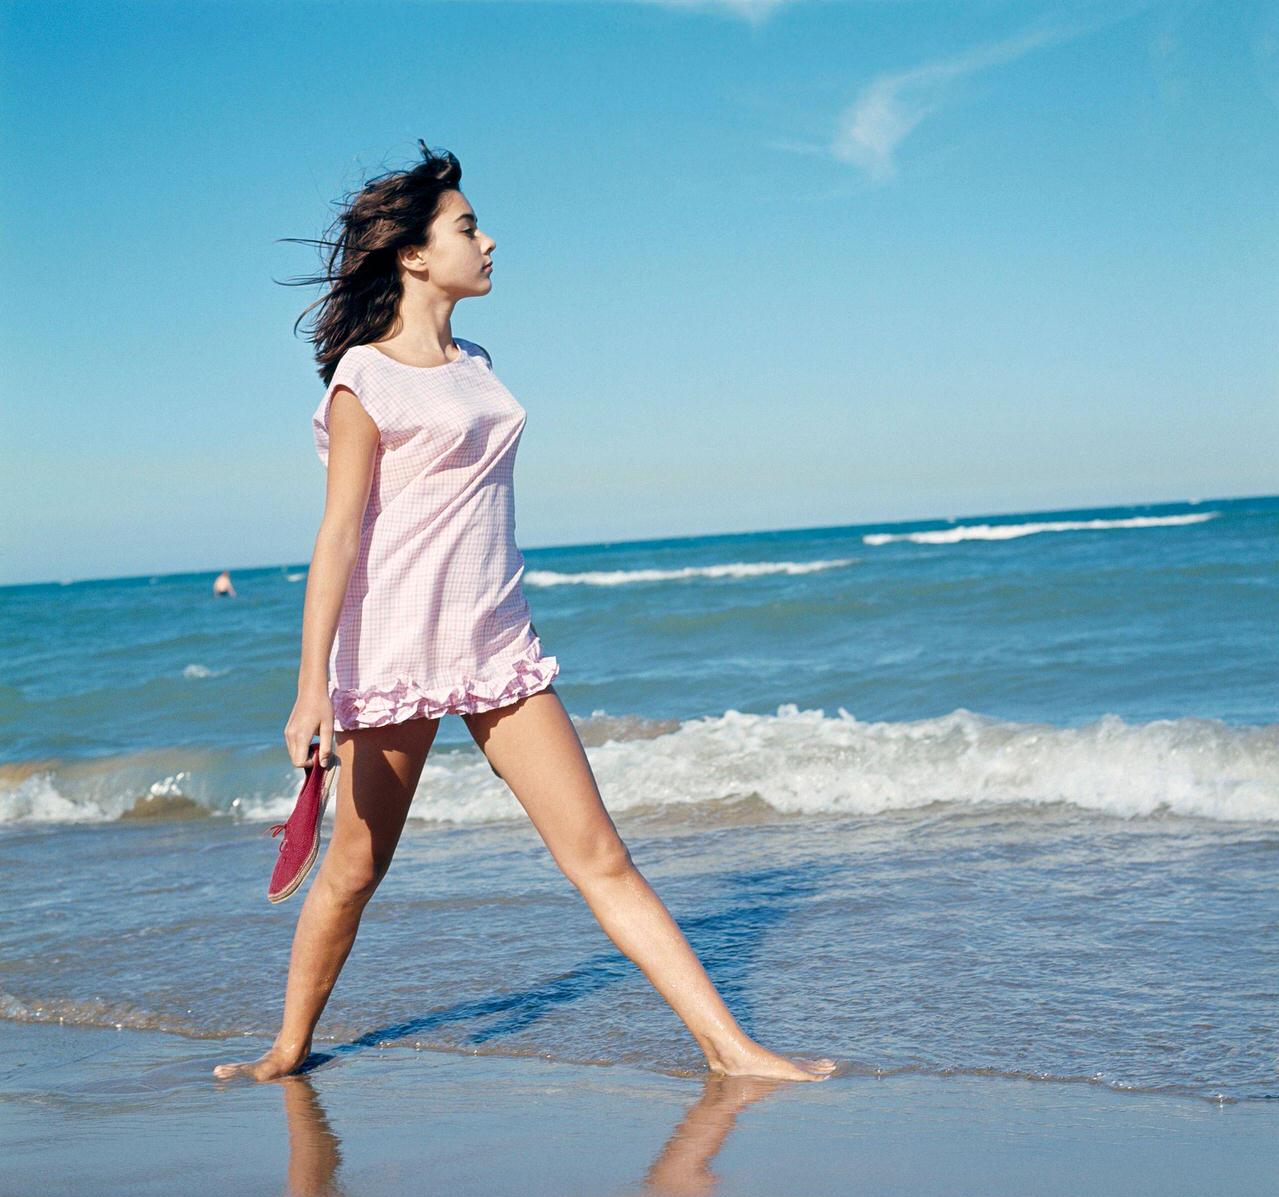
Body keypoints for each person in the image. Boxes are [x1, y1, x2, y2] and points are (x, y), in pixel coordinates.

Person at [214, 142, 835, 1085]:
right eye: (468, 227)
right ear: (416, 255)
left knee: (600, 855)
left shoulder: (477, 364)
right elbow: (336, 538)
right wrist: (313, 697)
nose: (489, 239)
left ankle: (733, 1049)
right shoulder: (362, 381)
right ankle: (288, 1048)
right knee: (355, 867)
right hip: (393, 649)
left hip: (496, 641)